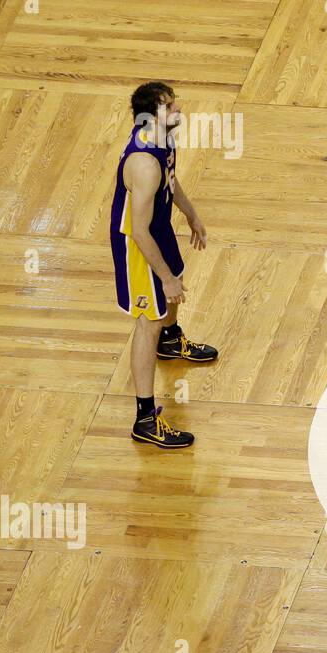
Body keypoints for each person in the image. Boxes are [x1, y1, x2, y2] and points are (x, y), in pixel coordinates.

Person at [109, 81, 218, 449]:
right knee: (149, 321)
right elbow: (139, 232)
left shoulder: (163, 137)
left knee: (177, 280)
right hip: (138, 243)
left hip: (159, 226)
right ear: (149, 115)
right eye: (169, 107)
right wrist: (164, 277)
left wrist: (191, 214)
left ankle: (172, 342)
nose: (177, 111)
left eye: (174, 104)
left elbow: (171, 180)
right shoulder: (142, 165)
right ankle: (144, 419)